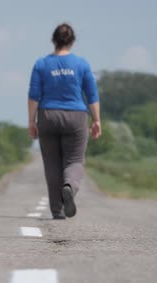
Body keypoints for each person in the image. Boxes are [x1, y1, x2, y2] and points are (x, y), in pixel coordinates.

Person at [27, 23, 102, 219]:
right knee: (74, 160)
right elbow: (92, 95)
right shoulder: (82, 64)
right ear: (73, 41)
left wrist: (31, 121)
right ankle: (69, 187)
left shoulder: (41, 64)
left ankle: (57, 211)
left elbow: (34, 95)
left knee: (52, 164)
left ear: (54, 40)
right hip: (75, 117)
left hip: (48, 116)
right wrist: (97, 120)